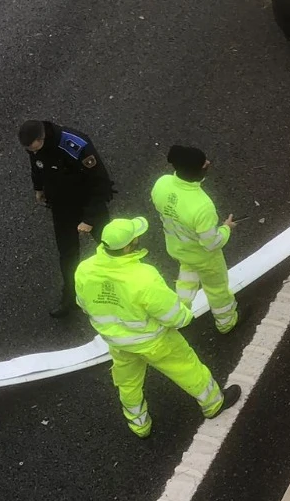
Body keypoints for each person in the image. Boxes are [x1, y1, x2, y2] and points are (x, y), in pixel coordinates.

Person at [75, 217, 241, 438]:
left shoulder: (84, 269)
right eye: (135, 237)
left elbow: (84, 305)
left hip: (118, 344)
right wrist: (186, 316)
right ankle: (213, 404)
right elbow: (174, 316)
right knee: (188, 369)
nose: (138, 238)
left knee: (128, 384)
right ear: (127, 246)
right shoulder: (143, 276)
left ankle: (139, 425)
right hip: (155, 342)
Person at [20, 119, 117, 318]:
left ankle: (127, 286)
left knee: (111, 247)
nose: (32, 152)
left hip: (88, 204)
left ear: (42, 137)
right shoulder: (35, 148)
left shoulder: (75, 145)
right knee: (67, 256)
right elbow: (37, 166)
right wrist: (38, 188)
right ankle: (71, 297)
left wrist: (89, 219)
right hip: (62, 207)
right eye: (28, 149)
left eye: (33, 147)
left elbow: (100, 183)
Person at [151, 145, 240, 334]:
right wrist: (226, 228)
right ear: (198, 171)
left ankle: (179, 313)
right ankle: (226, 322)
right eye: (204, 163)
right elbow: (212, 243)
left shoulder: (161, 183)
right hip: (204, 257)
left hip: (177, 247)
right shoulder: (202, 206)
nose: (208, 163)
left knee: (187, 276)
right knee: (217, 289)